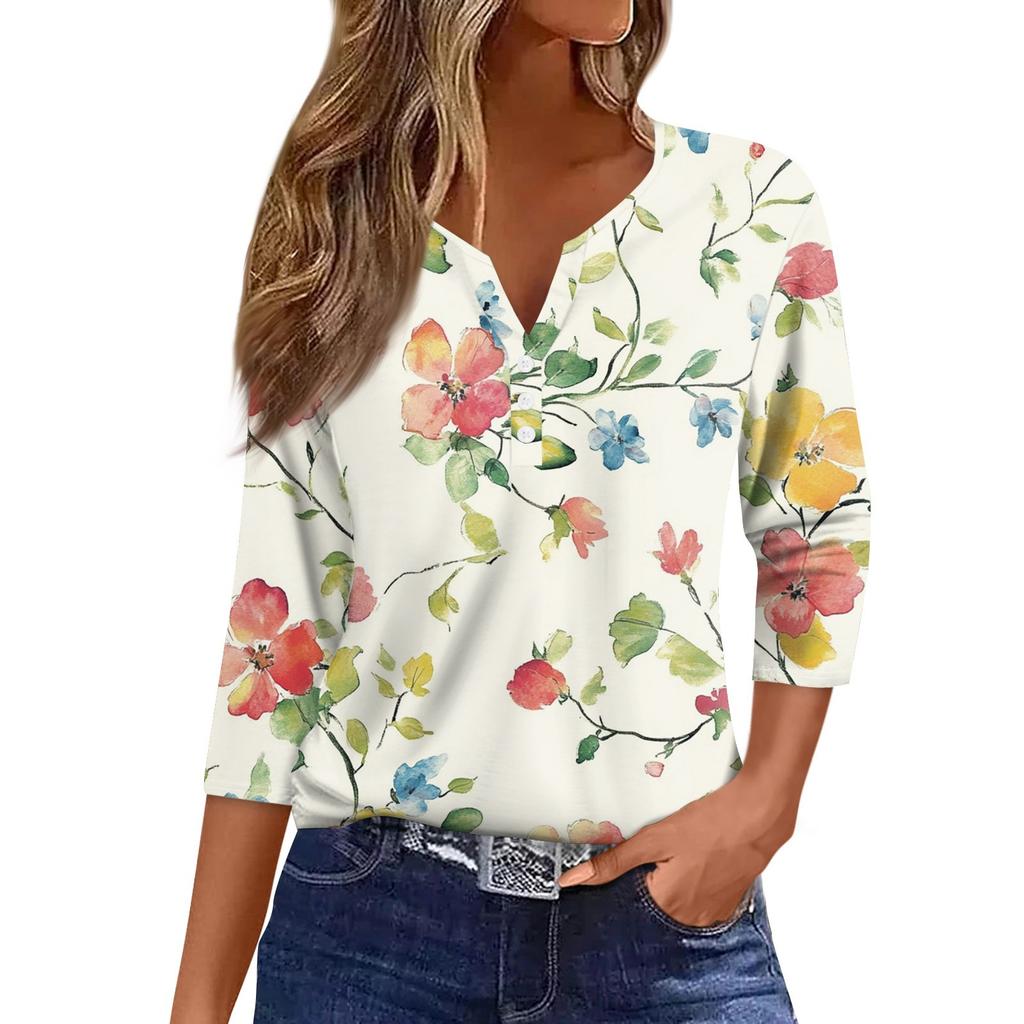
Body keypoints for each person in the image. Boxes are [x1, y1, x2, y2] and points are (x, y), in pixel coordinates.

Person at [172, 1, 870, 1021]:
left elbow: (815, 520)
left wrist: (765, 805)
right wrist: (195, 1006)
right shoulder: (339, 219)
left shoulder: (748, 205)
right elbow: (275, 636)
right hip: (369, 937)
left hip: (665, 936)